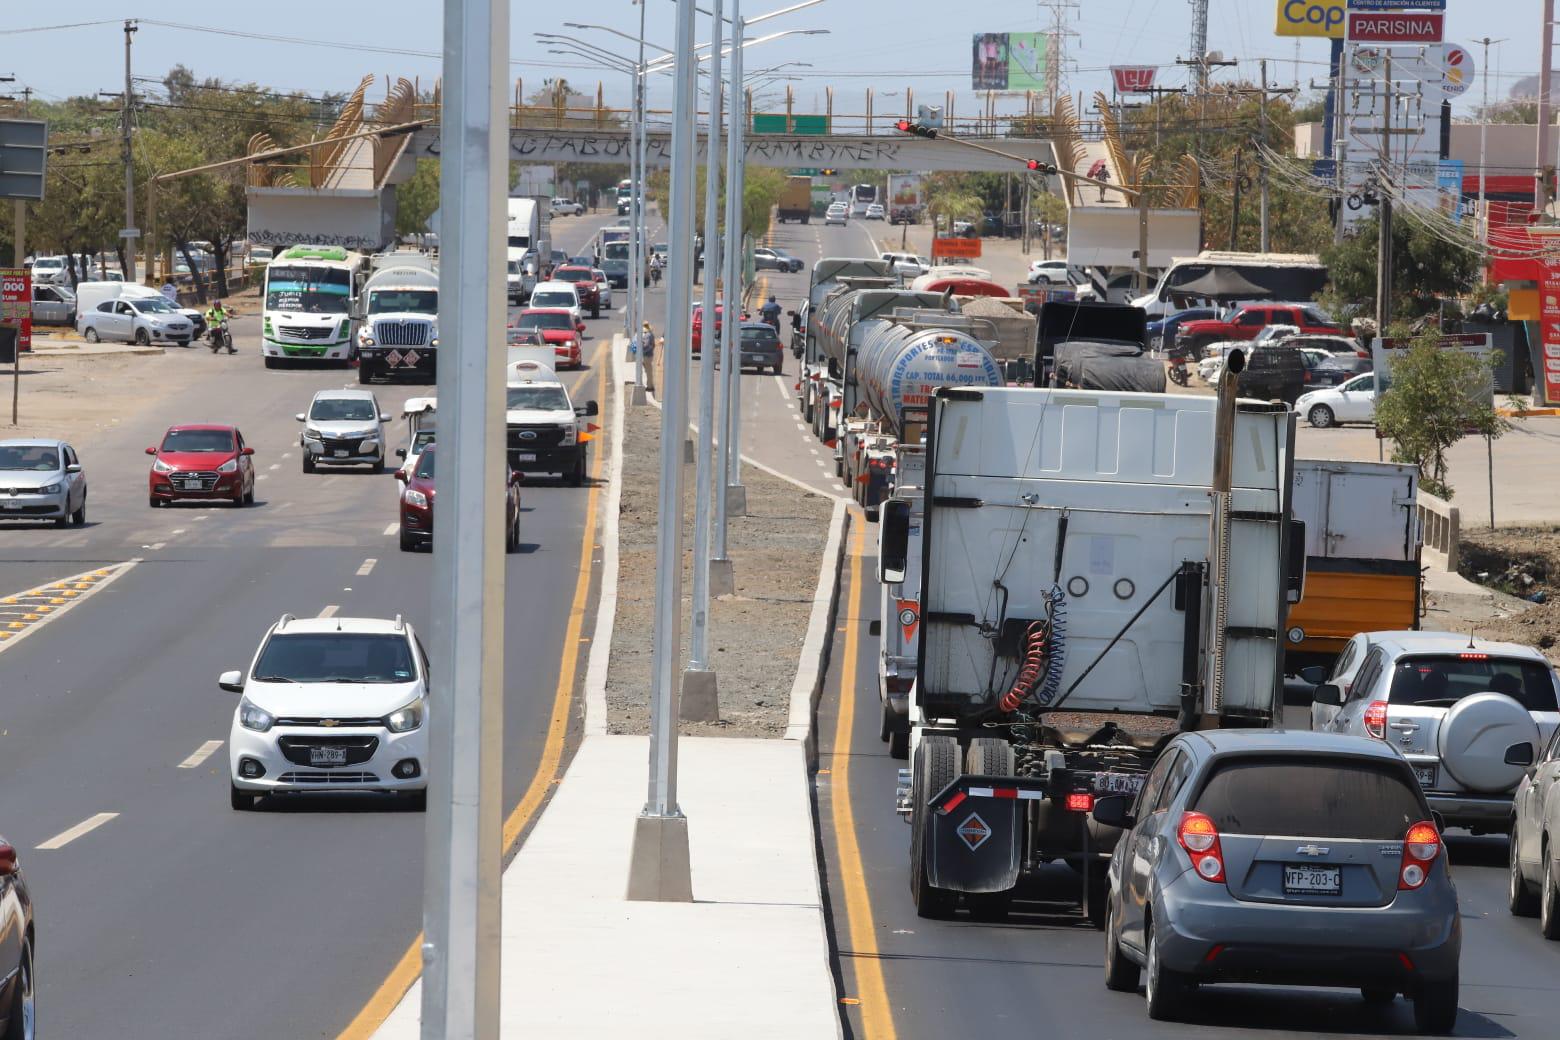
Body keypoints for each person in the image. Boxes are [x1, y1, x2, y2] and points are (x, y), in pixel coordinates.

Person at [638, 321, 657, 393]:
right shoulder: (650, 334)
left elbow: (646, 345)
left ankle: (650, 386)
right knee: (648, 371)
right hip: (649, 355)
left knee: (648, 371)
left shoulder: (647, 335)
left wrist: (640, 344)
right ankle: (650, 385)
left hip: (647, 355)